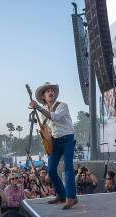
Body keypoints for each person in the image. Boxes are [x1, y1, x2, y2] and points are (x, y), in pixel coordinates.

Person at [29, 82, 78, 210]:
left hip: (68, 138)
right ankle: (61, 195)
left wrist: (38, 107)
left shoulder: (62, 106)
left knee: (68, 167)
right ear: (44, 96)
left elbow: (54, 117)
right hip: (55, 141)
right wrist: (45, 139)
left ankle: (71, 197)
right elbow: (47, 128)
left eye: (52, 90)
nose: (51, 92)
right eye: (48, 91)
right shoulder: (43, 110)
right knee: (50, 170)